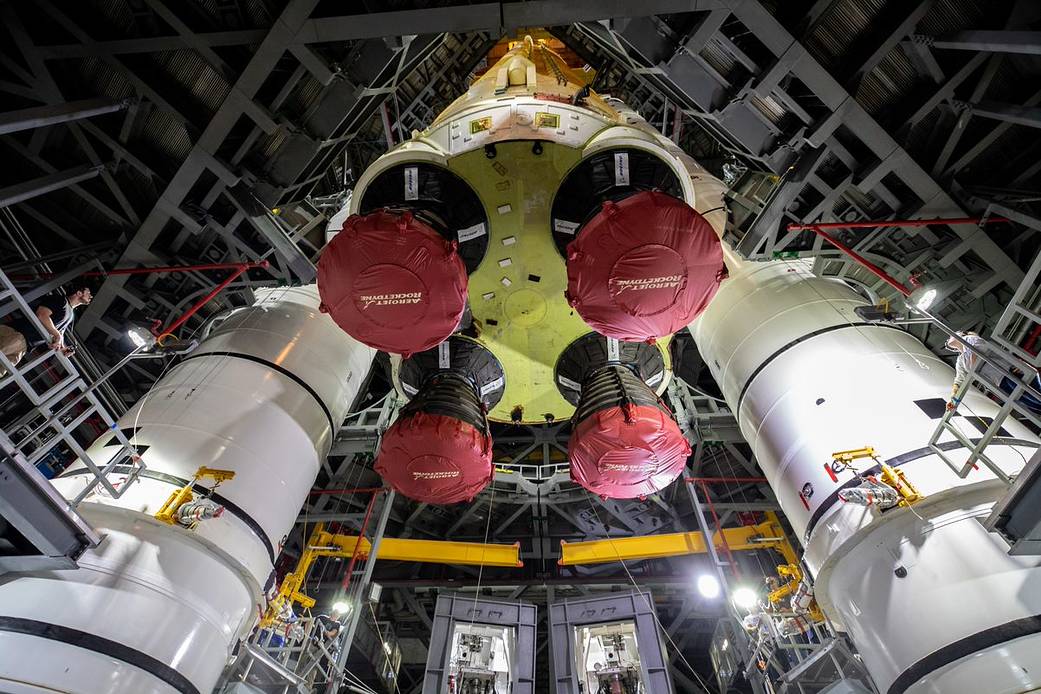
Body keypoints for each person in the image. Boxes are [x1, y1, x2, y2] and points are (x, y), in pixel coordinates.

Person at [0, 279, 94, 373]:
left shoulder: (70, 316)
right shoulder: (60, 300)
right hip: (18, 333)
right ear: (78, 293)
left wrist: (64, 348)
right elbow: (42, 314)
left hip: (24, 345)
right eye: (88, 292)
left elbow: (57, 333)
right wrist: (57, 335)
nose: (91, 296)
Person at [946, 331, 1041, 413]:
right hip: (1000, 383)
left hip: (1010, 371)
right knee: (1034, 404)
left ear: (961, 334)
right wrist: (953, 399)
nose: (948, 339)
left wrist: (972, 369)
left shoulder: (969, 338)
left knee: (1036, 396)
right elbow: (959, 380)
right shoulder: (960, 360)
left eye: (950, 336)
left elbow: (976, 356)